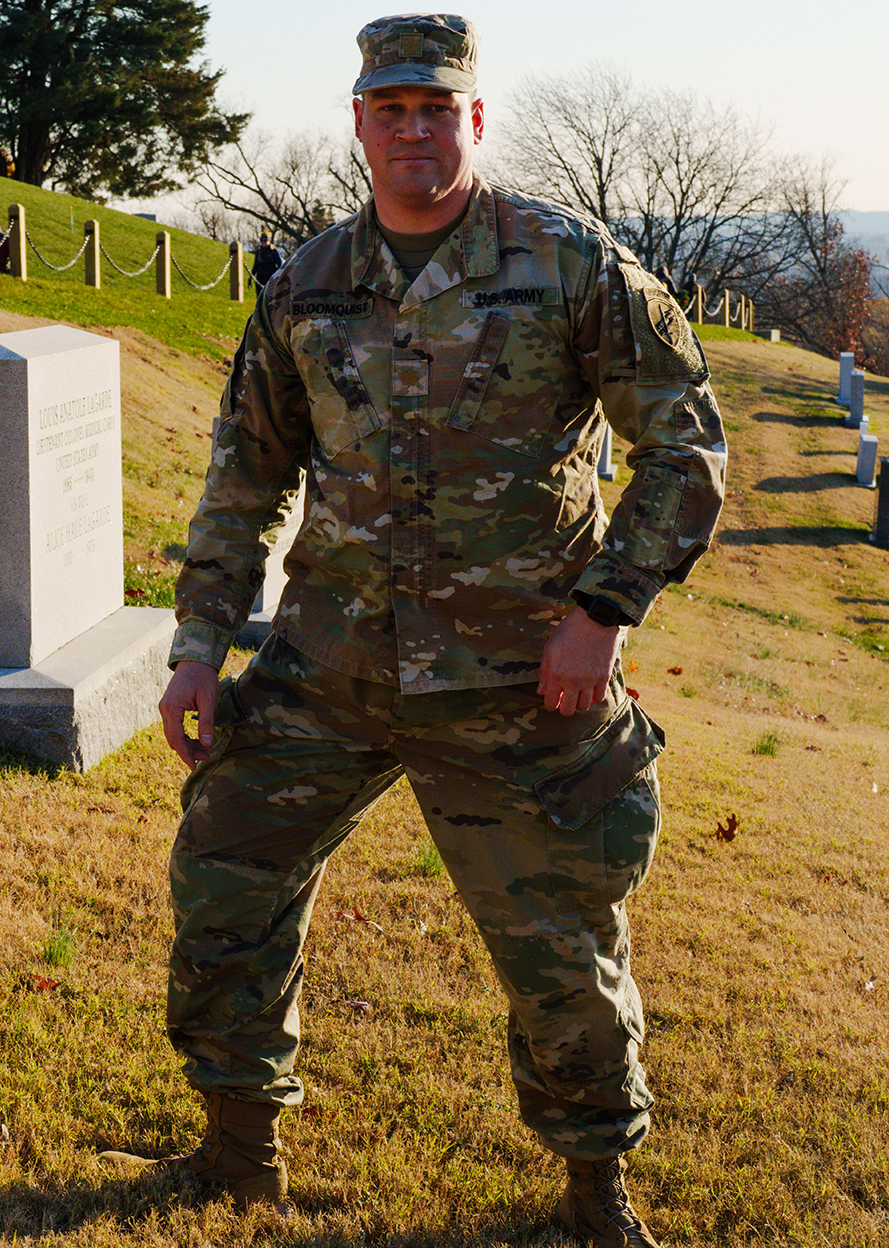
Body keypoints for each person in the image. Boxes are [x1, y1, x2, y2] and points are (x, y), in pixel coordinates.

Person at [100, 14, 725, 1248]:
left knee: (560, 944)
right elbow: (245, 479)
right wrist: (196, 647)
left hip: (517, 676)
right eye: (391, 109)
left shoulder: (568, 263)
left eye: (436, 108)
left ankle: (595, 1193)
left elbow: (686, 449)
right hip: (328, 663)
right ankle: (237, 1151)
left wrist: (602, 614)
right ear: (359, 125)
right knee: (225, 876)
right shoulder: (306, 284)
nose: (414, 130)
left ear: (474, 120)